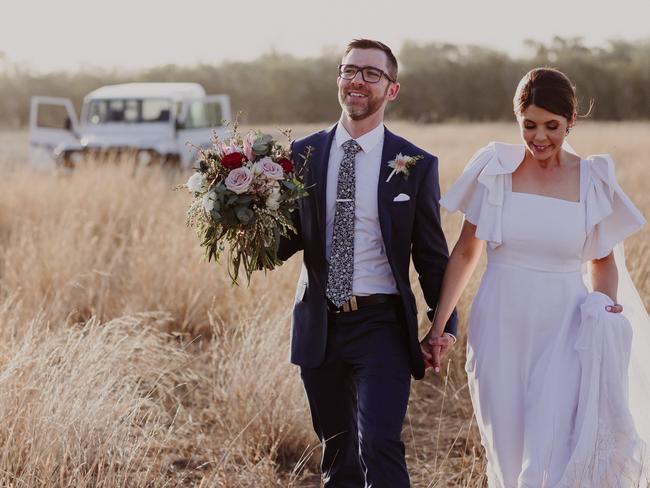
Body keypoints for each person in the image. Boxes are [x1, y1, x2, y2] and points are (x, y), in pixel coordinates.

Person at [423, 67, 650, 487]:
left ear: (571, 122)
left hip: (565, 326)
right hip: (500, 325)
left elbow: (602, 262)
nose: (539, 137)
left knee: (554, 447)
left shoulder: (592, 178)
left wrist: (604, 307)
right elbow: (467, 251)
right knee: (506, 447)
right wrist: (438, 328)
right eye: (529, 125)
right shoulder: (495, 169)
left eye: (552, 126)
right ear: (517, 120)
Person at [277, 38, 457, 487]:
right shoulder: (301, 155)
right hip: (320, 322)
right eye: (350, 70)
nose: (358, 80)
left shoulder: (415, 165)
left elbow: (432, 256)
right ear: (339, 78)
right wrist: (240, 216)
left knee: (378, 443)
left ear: (391, 89)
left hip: (382, 324)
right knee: (338, 456)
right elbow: (282, 243)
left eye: (371, 74)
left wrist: (444, 326)